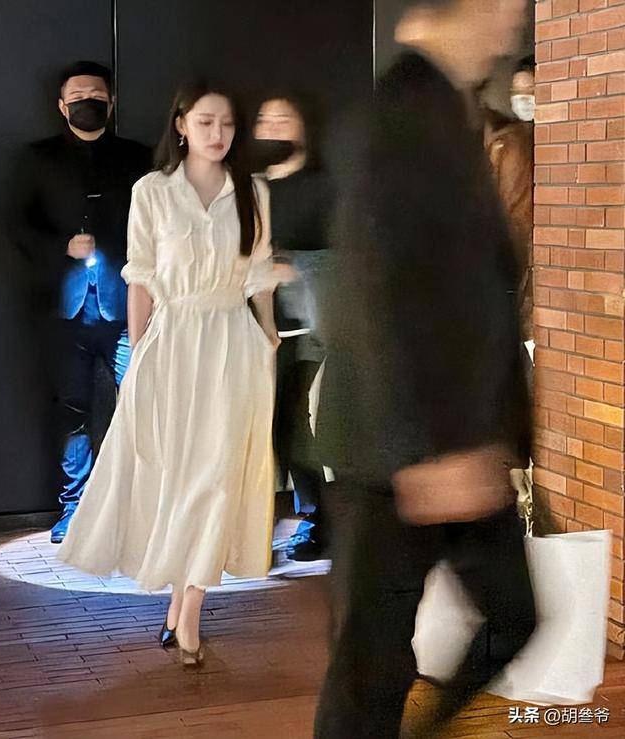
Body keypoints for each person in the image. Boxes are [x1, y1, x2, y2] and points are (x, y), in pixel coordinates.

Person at [314, 0, 536, 736]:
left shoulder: (450, 110)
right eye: (504, 4)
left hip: (454, 436)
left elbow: (470, 284)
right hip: (400, 450)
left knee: (514, 615)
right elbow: (378, 289)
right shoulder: (399, 116)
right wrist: (431, 449)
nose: (513, 22)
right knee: (370, 670)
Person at [58, 81, 279, 664]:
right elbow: (141, 277)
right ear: (181, 124)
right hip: (173, 341)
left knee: (219, 475)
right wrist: (138, 352)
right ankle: (179, 603)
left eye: (226, 123)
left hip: (232, 343)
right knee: (181, 476)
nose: (217, 133)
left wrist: (269, 337)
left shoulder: (252, 190)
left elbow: (258, 275)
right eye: (205, 122)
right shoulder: (153, 192)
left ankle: (191, 611)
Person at [9, 61, 151, 543]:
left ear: (111, 101)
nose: (87, 101)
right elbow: (16, 226)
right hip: (64, 311)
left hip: (128, 306)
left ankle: (139, 508)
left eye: (96, 94)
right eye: (77, 95)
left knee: (141, 401)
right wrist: (61, 247)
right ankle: (76, 508)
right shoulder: (37, 158)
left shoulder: (138, 158)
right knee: (72, 412)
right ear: (61, 104)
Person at [254, 93, 333, 561]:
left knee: (292, 423)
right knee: (260, 425)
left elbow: (347, 255)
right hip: (252, 324)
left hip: (304, 327)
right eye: (264, 120)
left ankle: (316, 519)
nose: (271, 128)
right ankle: (256, 526)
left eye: (282, 119)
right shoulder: (250, 186)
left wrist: (293, 266)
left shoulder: (325, 186)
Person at [483, 56, 535, 343]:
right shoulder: (507, 141)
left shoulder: (514, 142)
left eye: (530, 91)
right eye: (517, 92)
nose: (523, 99)